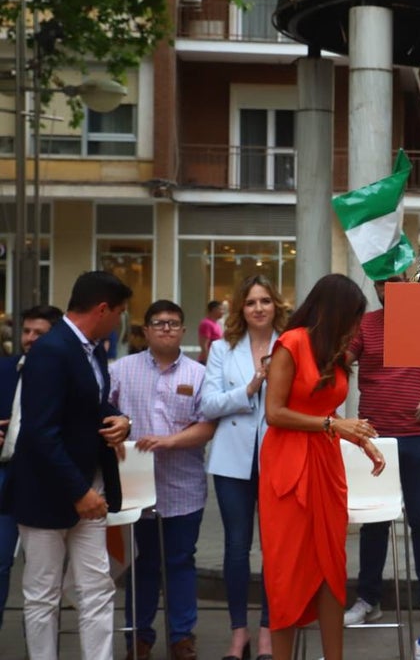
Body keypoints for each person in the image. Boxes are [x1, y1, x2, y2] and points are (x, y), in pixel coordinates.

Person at [1, 272, 133, 660]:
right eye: (120, 313)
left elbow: (89, 404)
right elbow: (40, 432)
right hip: (46, 492)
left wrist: (121, 419)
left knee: (97, 588)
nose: (120, 322)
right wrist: (79, 492)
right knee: (43, 593)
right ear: (103, 309)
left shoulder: (92, 349)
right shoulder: (50, 350)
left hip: (91, 486)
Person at [260, 274, 383, 660]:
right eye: (353, 317)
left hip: (325, 464)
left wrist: (360, 439)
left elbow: (326, 411)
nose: (356, 326)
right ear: (334, 312)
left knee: (332, 565)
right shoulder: (291, 343)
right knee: (286, 569)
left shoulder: (335, 353)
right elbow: (274, 413)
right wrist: (333, 425)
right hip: (288, 463)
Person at [109, 300, 215, 660]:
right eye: (158, 323)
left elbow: (207, 426)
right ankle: (138, 638)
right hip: (133, 490)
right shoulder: (121, 370)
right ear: (146, 330)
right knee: (141, 566)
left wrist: (169, 442)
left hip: (183, 487)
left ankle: (181, 637)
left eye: (173, 323)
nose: (166, 328)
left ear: (183, 331)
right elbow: (103, 414)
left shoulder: (199, 374)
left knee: (181, 562)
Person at [343, 277, 420, 630]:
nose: (388, 288)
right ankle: (368, 599)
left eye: (395, 280)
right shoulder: (366, 324)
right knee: (373, 521)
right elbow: (340, 362)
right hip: (375, 438)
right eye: (381, 283)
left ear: (409, 277)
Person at [201, 275, 287, 660]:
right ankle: (239, 633)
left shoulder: (288, 345)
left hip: (277, 457)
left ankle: (268, 631)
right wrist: (249, 388)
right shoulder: (223, 348)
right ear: (241, 308)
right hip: (231, 460)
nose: (258, 308)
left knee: (274, 548)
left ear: (275, 305)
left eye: (265, 301)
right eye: (251, 302)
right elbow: (208, 404)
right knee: (237, 548)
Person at [0, 304, 63, 630]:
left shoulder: (65, 376)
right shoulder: (4, 370)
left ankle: (38, 645)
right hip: (5, 474)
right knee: (0, 561)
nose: (30, 338)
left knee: (43, 572)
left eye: (40, 333)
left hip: (46, 480)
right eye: (26, 331)